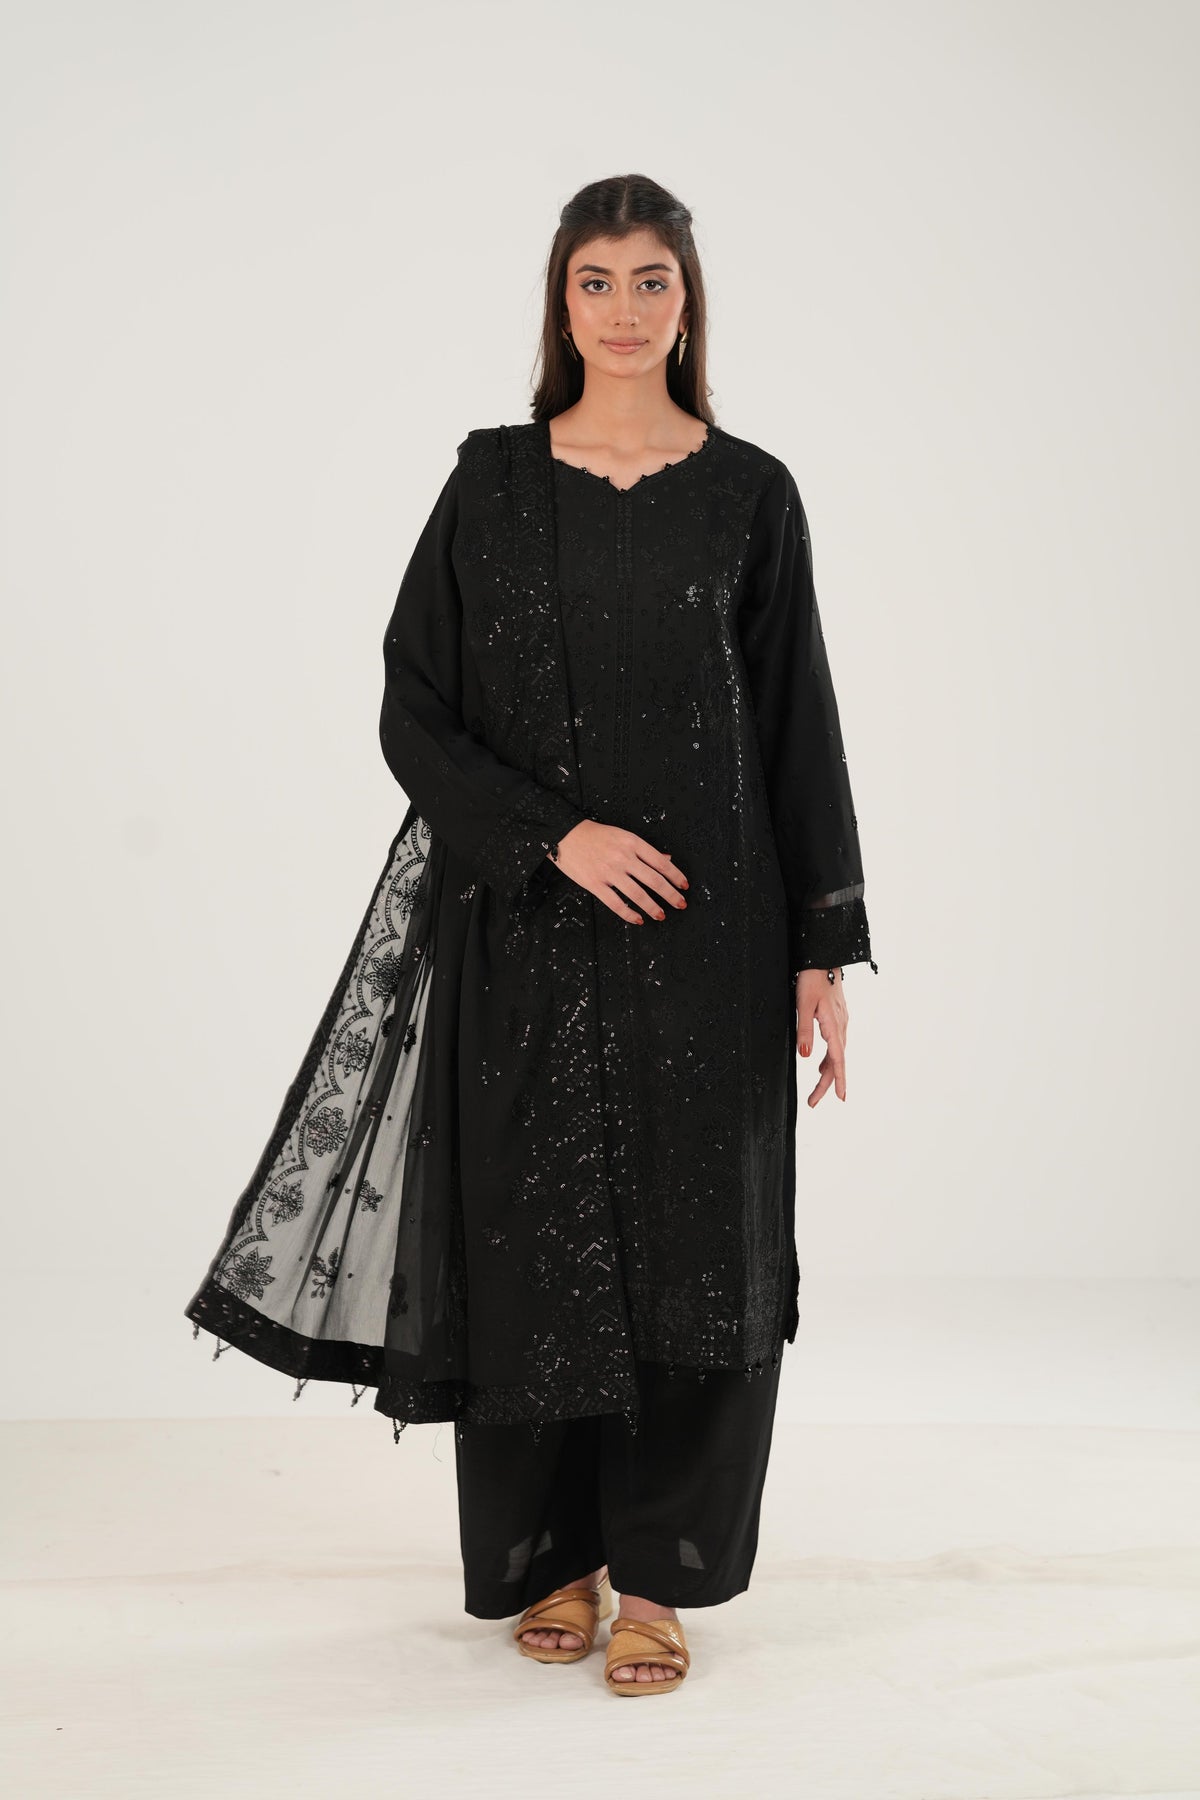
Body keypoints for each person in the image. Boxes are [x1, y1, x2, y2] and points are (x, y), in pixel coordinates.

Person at [184, 172, 876, 1698]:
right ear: (560, 302)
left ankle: (665, 1579)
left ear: (688, 302)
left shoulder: (751, 493)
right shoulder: (491, 482)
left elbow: (798, 727)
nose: (625, 310)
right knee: (526, 1232)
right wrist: (553, 837)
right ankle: (549, 1556)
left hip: (709, 935)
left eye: (651, 281)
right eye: (595, 282)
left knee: (698, 1244)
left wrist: (822, 948)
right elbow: (412, 705)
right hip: (522, 930)